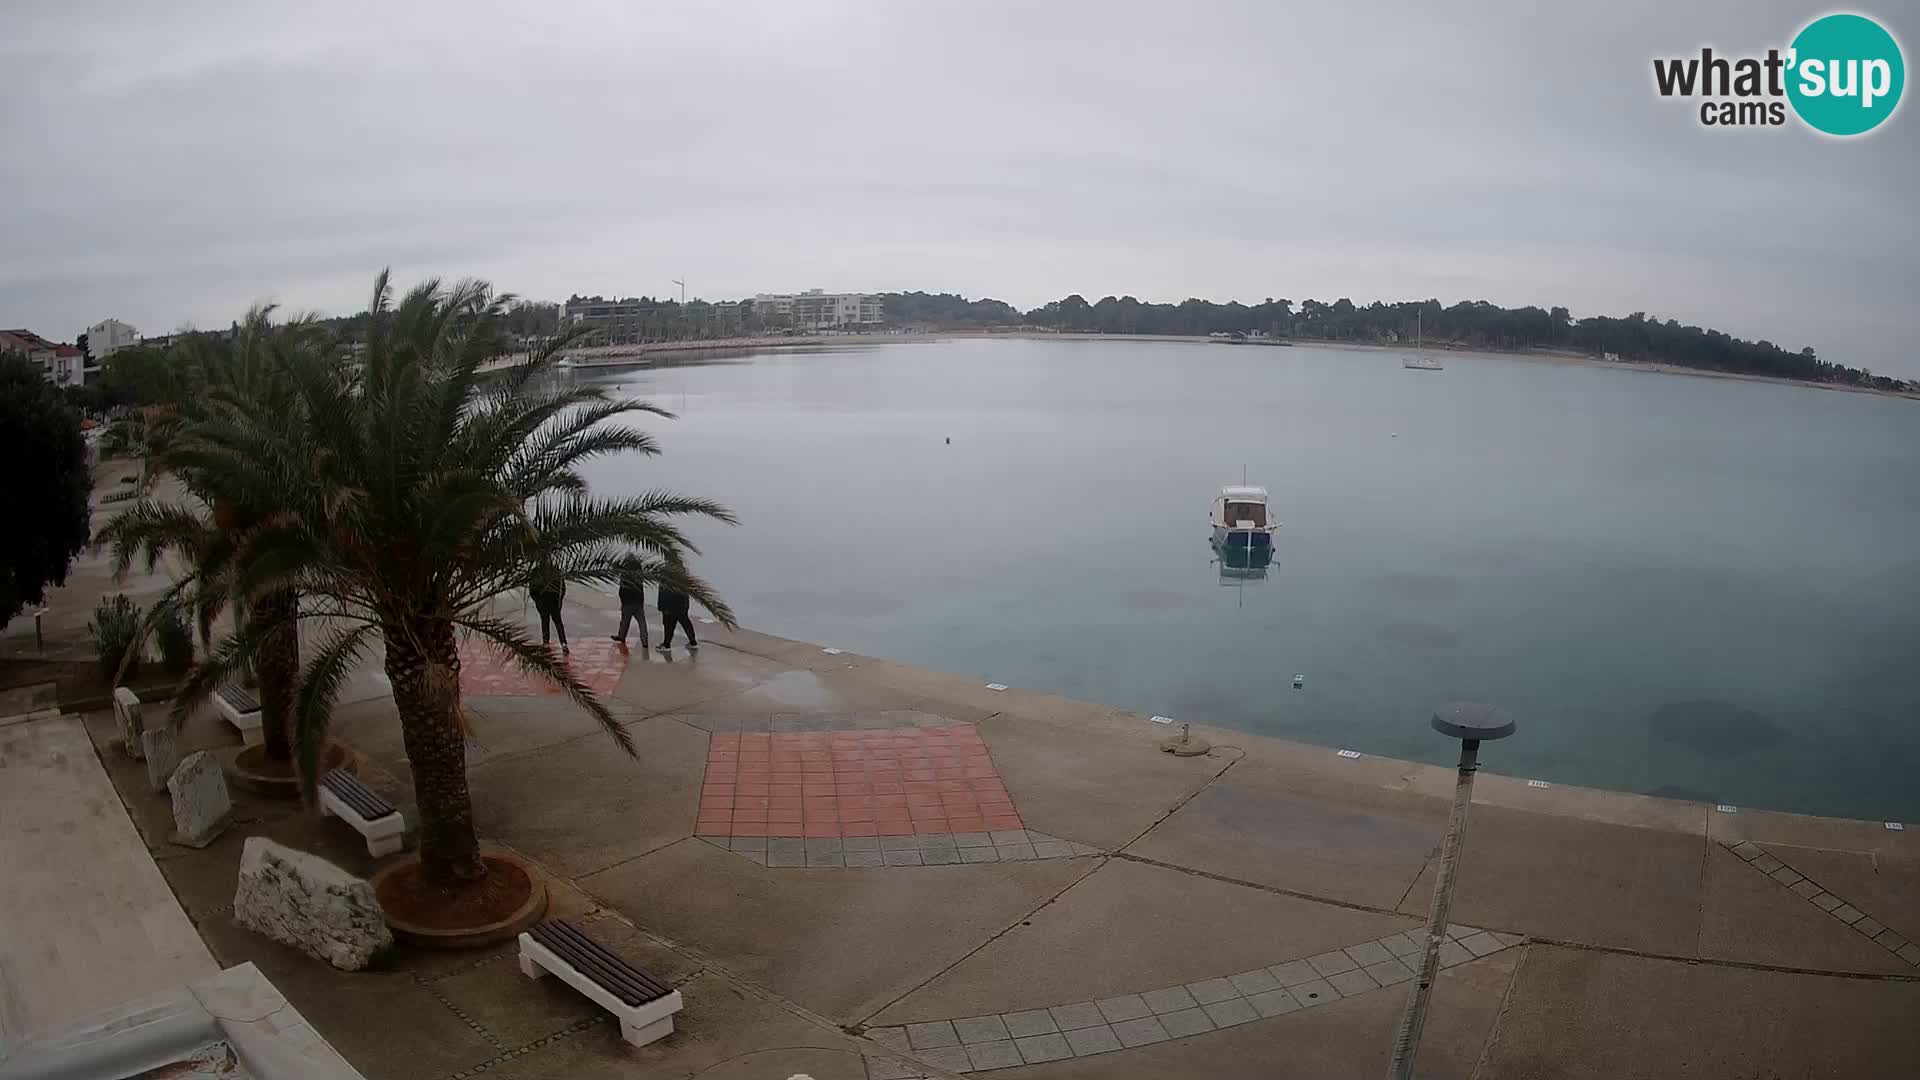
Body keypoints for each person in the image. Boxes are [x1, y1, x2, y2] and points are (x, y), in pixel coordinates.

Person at [530, 563, 568, 654]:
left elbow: (532, 589)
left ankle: (547, 643)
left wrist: (537, 601)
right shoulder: (555, 570)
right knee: (557, 622)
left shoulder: (536, 571)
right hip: (552, 601)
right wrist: (559, 600)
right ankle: (563, 643)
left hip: (544, 601)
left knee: (546, 621)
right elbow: (562, 588)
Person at [611, 562, 649, 649]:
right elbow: (641, 590)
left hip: (627, 603)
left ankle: (621, 637)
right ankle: (645, 642)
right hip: (638, 603)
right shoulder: (639, 576)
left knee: (624, 622)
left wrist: (623, 601)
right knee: (642, 623)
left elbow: (622, 591)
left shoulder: (625, 576)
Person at [656, 579, 697, 652]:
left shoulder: (666, 577)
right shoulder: (682, 575)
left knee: (669, 626)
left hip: (670, 606)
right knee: (686, 624)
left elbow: (663, 593)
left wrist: (661, 607)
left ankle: (666, 645)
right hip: (682, 605)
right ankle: (693, 642)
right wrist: (686, 606)